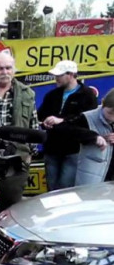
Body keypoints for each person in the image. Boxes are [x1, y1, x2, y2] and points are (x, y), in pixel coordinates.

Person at [0, 53, 38, 211]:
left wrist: (29, 155)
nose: (4, 71)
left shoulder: (27, 93)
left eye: (8, 68)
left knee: (10, 207)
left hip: (16, 159)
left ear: (14, 70)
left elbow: (33, 125)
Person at [38, 60, 98, 191]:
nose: (56, 79)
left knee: (66, 188)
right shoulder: (52, 95)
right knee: (51, 187)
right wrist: (45, 122)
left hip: (73, 149)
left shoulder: (87, 95)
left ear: (71, 75)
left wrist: (62, 120)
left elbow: (87, 119)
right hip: (51, 148)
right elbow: (41, 114)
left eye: (59, 75)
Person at [52, 88, 114, 186]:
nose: (112, 118)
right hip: (92, 176)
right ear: (102, 103)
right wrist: (92, 136)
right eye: (110, 113)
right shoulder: (87, 117)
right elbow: (62, 129)